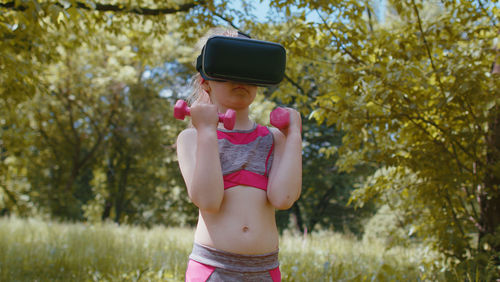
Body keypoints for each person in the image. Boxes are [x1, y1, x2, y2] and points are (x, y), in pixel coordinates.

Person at [176, 28, 302, 282]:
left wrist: (294, 134)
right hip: (213, 268)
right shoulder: (192, 139)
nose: (239, 78)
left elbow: (283, 198)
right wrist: (208, 132)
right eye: (227, 70)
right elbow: (208, 201)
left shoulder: (274, 139)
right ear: (206, 81)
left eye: (247, 70)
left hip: (264, 269)